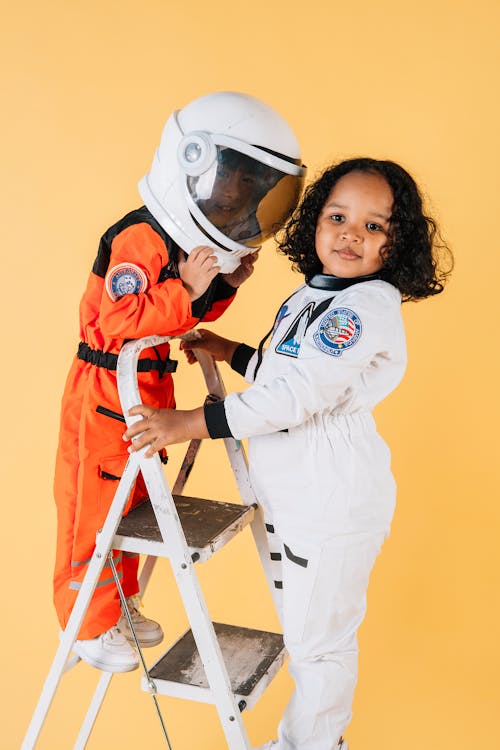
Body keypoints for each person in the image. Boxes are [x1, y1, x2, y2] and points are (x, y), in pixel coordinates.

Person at [123, 157, 452, 749]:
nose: (352, 233)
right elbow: (288, 370)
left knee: (320, 644)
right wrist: (233, 352)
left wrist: (189, 423)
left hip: (333, 499)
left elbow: (296, 396)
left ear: (396, 245)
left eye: (375, 226)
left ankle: (311, 746)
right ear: (315, 223)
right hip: (301, 493)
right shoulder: (317, 294)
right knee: (308, 633)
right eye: (338, 216)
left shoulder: (363, 308)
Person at [53, 91, 306, 674]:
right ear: (193, 165)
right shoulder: (138, 239)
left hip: (143, 390)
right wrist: (184, 290)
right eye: (232, 184)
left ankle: (114, 608)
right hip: (103, 394)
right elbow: (117, 320)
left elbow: (184, 317)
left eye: (250, 189)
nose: (237, 200)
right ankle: (85, 627)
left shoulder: (178, 243)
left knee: (131, 509)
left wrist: (223, 284)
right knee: (91, 509)